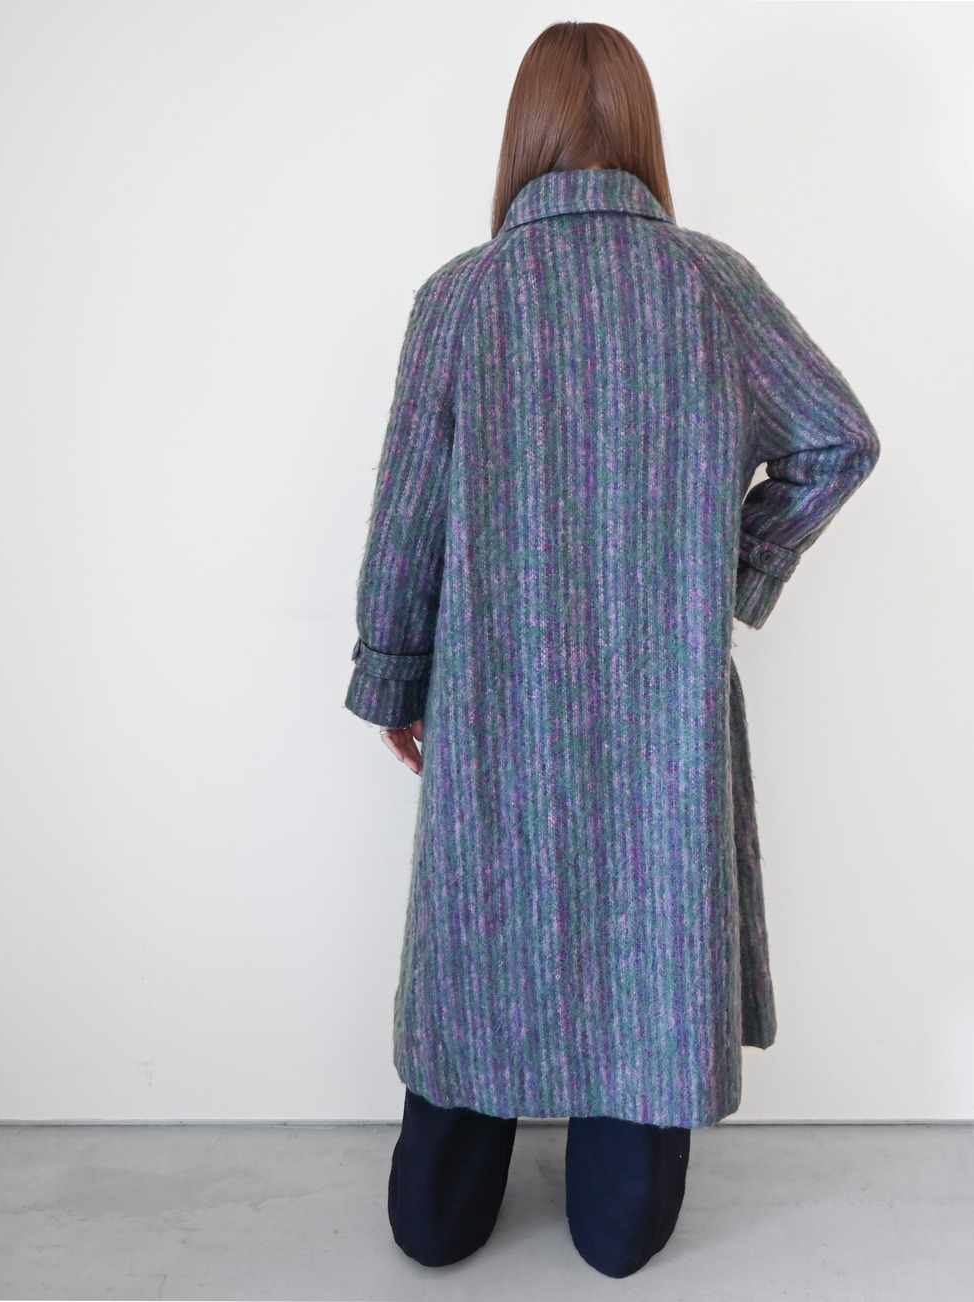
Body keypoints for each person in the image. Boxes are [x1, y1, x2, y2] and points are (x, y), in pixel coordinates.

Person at [344, 20, 880, 1278]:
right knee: (622, 1217)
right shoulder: (712, 285)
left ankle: (457, 1173)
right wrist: (724, 580)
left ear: (521, 136)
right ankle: (614, 1177)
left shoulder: (460, 298)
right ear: (641, 131)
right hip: (661, 717)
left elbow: (405, 514)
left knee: (432, 1206)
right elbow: (837, 441)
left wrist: (395, 676)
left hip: (496, 710)